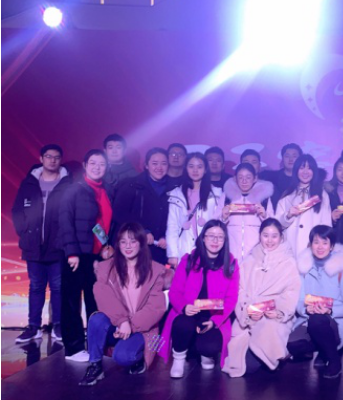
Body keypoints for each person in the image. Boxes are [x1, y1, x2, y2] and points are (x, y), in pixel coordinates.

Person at [78, 222, 167, 386]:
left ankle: (139, 359)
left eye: (133, 241)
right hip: (118, 324)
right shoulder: (106, 268)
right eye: (123, 242)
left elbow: (156, 308)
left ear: (141, 243)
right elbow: (104, 297)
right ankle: (95, 365)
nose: (128, 246)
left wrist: (129, 325)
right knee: (96, 319)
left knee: (123, 357)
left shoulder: (155, 270)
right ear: (118, 244)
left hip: (143, 330)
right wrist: (122, 321)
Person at [160, 220, 239, 377]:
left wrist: (215, 321)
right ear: (203, 238)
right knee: (182, 325)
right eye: (211, 236)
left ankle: (205, 354)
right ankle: (179, 359)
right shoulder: (188, 260)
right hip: (188, 313)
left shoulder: (231, 264)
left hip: (214, 316)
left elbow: (231, 298)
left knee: (209, 347)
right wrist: (184, 307)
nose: (215, 240)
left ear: (225, 241)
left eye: (220, 237)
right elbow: (175, 291)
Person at [223, 219, 300, 377]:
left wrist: (279, 312)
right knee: (240, 362)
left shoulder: (289, 263)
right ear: (259, 236)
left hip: (273, 319)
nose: (269, 240)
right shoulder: (250, 260)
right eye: (265, 235)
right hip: (248, 317)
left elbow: (291, 293)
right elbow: (239, 290)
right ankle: (277, 356)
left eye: (274, 236)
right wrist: (247, 311)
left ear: (281, 237)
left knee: (253, 363)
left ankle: (278, 354)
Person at [11, 144, 72, 343]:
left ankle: (58, 326)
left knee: (58, 287)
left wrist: (65, 238)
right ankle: (34, 327)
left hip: (57, 246)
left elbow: (72, 212)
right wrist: (24, 232)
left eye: (56, 157)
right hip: (33, 246)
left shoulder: (67, 184)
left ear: (60, 160)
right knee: (36, 287)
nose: (52, 160)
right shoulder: (29, 183)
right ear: (41, 159)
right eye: (48, 156)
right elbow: (17, 210)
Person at [59, 149, 114, 362]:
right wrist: (71, 252)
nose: (97, 167)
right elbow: (65, 221)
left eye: (102, 164)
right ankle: (73, 349)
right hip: (76, 255)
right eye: (93, 163)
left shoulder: (106, 190)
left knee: (95, 301)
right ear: (85, 165)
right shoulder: (74, 189)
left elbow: (100, 224)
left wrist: (106, 245)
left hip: (96, 255)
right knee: (72, 302)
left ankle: (95, 346)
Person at [288, 226, 343, 379]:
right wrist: (306, 310)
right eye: (316, 242)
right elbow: (299, 301)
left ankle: (334, 360)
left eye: (325, 243)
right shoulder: (304, 269)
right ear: (311, 245)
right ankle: (325, 351)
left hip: (341, 321)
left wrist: (330, 311)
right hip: (313, 320)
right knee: (292, 343)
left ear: (332, 246)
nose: (320, 247)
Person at [113, 148, 173, 265]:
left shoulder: (175, 187)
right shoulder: (132, 184)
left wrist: (167, 236)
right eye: (154, 163)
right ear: (146, 165)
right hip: (135, 246)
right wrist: (142, 230)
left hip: (161, 248)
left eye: (163, 163)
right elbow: (119, 213)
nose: (159, 167)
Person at [166, 153, 223, 268]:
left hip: (208, 248)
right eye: (191, 166)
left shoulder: (216, 194)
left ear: (205, 169)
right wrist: (173, 254)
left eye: (199, 167)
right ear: (186, 168)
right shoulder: (176, 194)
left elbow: (219, 223)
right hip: (184, 246)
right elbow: (172, 226)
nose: (195, 170)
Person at [274, 154, 332, 257]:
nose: (305, 172)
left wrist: (320, 246)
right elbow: (277, 225)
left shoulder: (322, 195)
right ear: (296, 171)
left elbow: (326, 225)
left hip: (314, 250)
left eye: (309, 168)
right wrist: (288, 216)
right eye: (301, 168)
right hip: (290, 250)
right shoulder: (287, 195)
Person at [221, 163, 275, 263]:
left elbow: (273, 225)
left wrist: (264, 216)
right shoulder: (227, 197)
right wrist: (223, 218)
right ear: (235, 179)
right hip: (231, 253)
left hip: (256, 254)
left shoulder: (264, 198)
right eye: (240, 177)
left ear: (255, 178)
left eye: (248, 177)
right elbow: (215, 224)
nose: (244, 181)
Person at [261, 143, 303, 208]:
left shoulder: (305, 179)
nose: (291, 159)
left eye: (294, 156)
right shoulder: (271, 178)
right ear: (282, 159)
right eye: (287, 156)